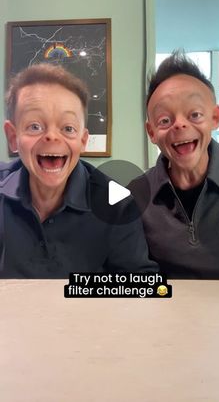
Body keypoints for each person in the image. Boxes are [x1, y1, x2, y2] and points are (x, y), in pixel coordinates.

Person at [0, 63, 158, 278]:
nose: (52, 137)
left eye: (68, 128)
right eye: (34, 126)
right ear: (12, 137)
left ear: (83, 141)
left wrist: (78, 292)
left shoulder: (117, 204)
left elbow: (140, 284)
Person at [129, 51, 219, 279]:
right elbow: (135, 275)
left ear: (215, 118)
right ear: (152, 132)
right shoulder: (136, 194)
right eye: (165, 120)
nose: (180, 125)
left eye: (195, 114)